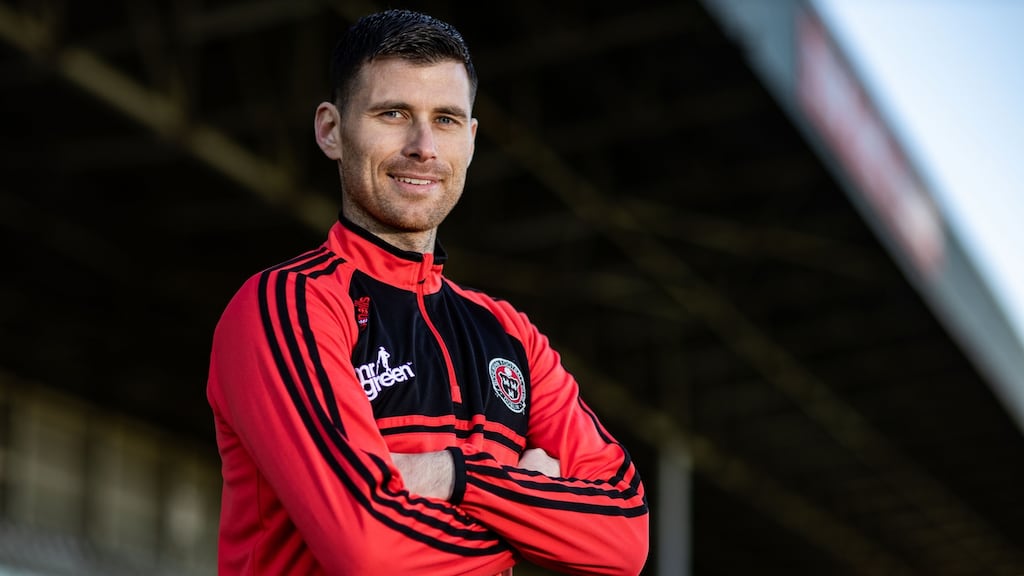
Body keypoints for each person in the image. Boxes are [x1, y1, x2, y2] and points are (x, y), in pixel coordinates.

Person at [206, 8, 649, 575]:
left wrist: (451, 474)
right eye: (392, 113)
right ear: (331, 130)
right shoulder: (287, 306)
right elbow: (370, 551)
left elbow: (623, 538)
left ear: (470, 139)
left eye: (445, 119)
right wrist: (531, 507)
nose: (422, 146)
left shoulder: (511, 336)